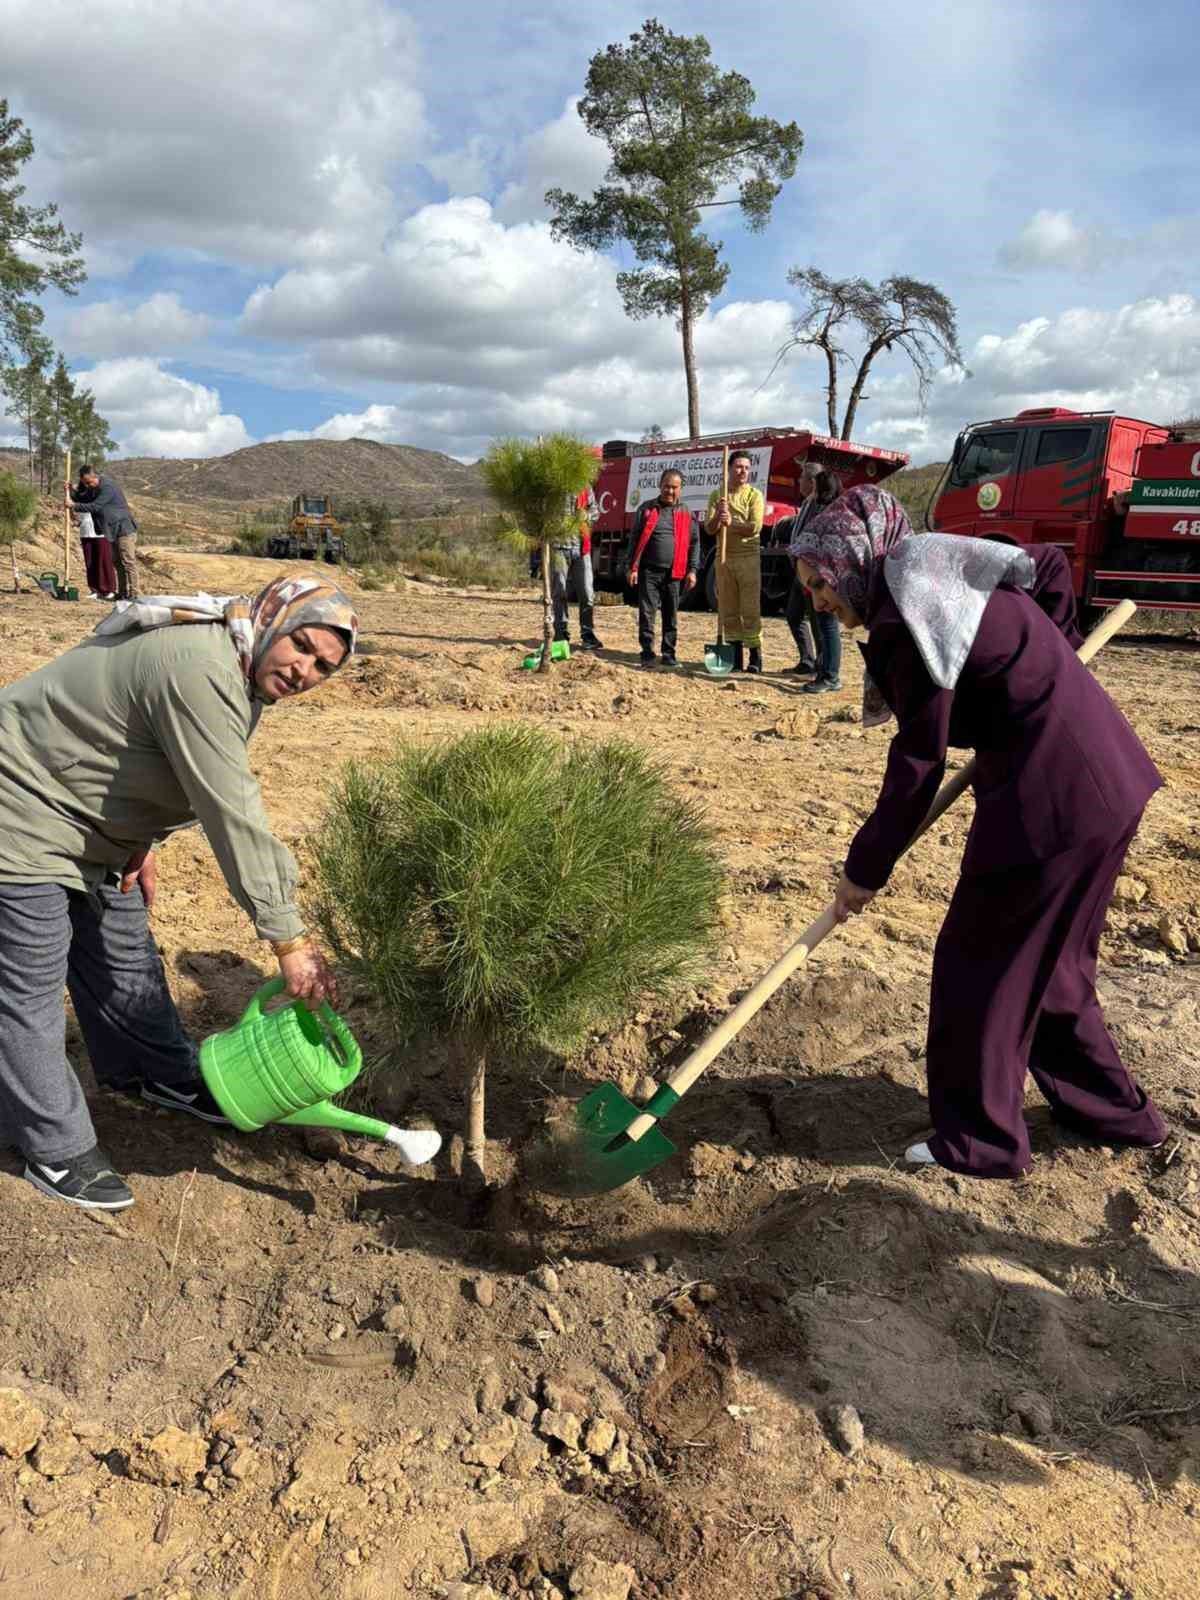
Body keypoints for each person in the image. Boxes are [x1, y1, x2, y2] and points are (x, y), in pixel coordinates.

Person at [0, 574, 439, 1213]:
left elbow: (139, 750)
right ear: (275, 620)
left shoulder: (238, 663)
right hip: (18, 806)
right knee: (28, 986)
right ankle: (52, 1146)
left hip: (85, 822)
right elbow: (230, 807)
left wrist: (136, 842)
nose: (307, 670)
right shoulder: (200, 665)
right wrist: (287, 937)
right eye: (304, 648)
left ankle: (152, 1072)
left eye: (324, 666)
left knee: (123, 950)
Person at [790, 486, 1167, 1180]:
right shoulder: (939, 564)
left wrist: (863, 869)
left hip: (1050, 799)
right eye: (808, 584)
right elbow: (1049, 567)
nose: (816, 599)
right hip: (1109, 779)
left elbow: (918, 763)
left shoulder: (908, 615)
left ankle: (981, 1143)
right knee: (1050, 967)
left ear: (854, 562)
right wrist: (1054, 655)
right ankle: (1114, 1112)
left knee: (977, 965)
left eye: (821, 581)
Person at [626, 469, 699, 668]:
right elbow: (634, 541)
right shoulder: (647, 509)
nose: (670, 491)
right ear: (660, 486)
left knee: (671, 615)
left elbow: (694, 543)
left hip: (675, 573)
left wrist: (692, 570)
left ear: (680, 490)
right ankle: (647, 654)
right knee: (647, 614)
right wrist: (632, 568)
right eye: (666, 486)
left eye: (674, 487)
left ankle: (669, 654)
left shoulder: (686, 512)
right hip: (649, 571)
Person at [778, 461, 842, 685]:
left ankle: (826, 671)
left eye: (802, 478)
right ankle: (807, 660)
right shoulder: (808, 502)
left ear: (812, 481)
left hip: (815, 573)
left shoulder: (823, 506)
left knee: (822, 621)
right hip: (801, 571)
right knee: (793, 614)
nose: (798, 481)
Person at [705, 449, 765, 672]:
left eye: (747, 468)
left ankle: (755, 658)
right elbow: (708, 529)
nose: (743, 471)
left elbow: (755, 526)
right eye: (739, 467)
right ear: (729, 469)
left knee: (749, 609)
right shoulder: (717, 495)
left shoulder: (754, 496)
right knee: (728, 608)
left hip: (748, 558)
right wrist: (718, 518)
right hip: (724, 558)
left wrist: (731, 522)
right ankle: (734, 658)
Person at [65, 465, 139, 600]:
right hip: (111, 530)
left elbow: (95, 506)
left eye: (88, 482)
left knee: (128, 562)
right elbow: (84, 499)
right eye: (84, 483)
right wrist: (70, 491)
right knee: (117, 563)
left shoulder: (107, 488)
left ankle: (134, 595)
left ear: (95, 476)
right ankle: (122, 594)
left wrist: (73, 506)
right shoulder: (93, 488)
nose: (87, 485)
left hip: (124, 528)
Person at [550, 484, 603, 651]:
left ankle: (587, 634)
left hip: (581, 548)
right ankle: (561, 634)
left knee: (587, 593)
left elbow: (595, 512)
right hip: (558, 547)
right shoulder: (552, 485)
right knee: (559, 593)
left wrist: (586, 515)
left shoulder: (584, 486)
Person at [71, 473, 117, 600]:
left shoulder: (98, 495)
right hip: (85, 532)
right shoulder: (80, 499)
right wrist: (68, 490)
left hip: (101, 531)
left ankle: (108, 589)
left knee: (104, 561)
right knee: (90, 562)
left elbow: (96, 507)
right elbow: (77, 513)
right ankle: (94, 589)